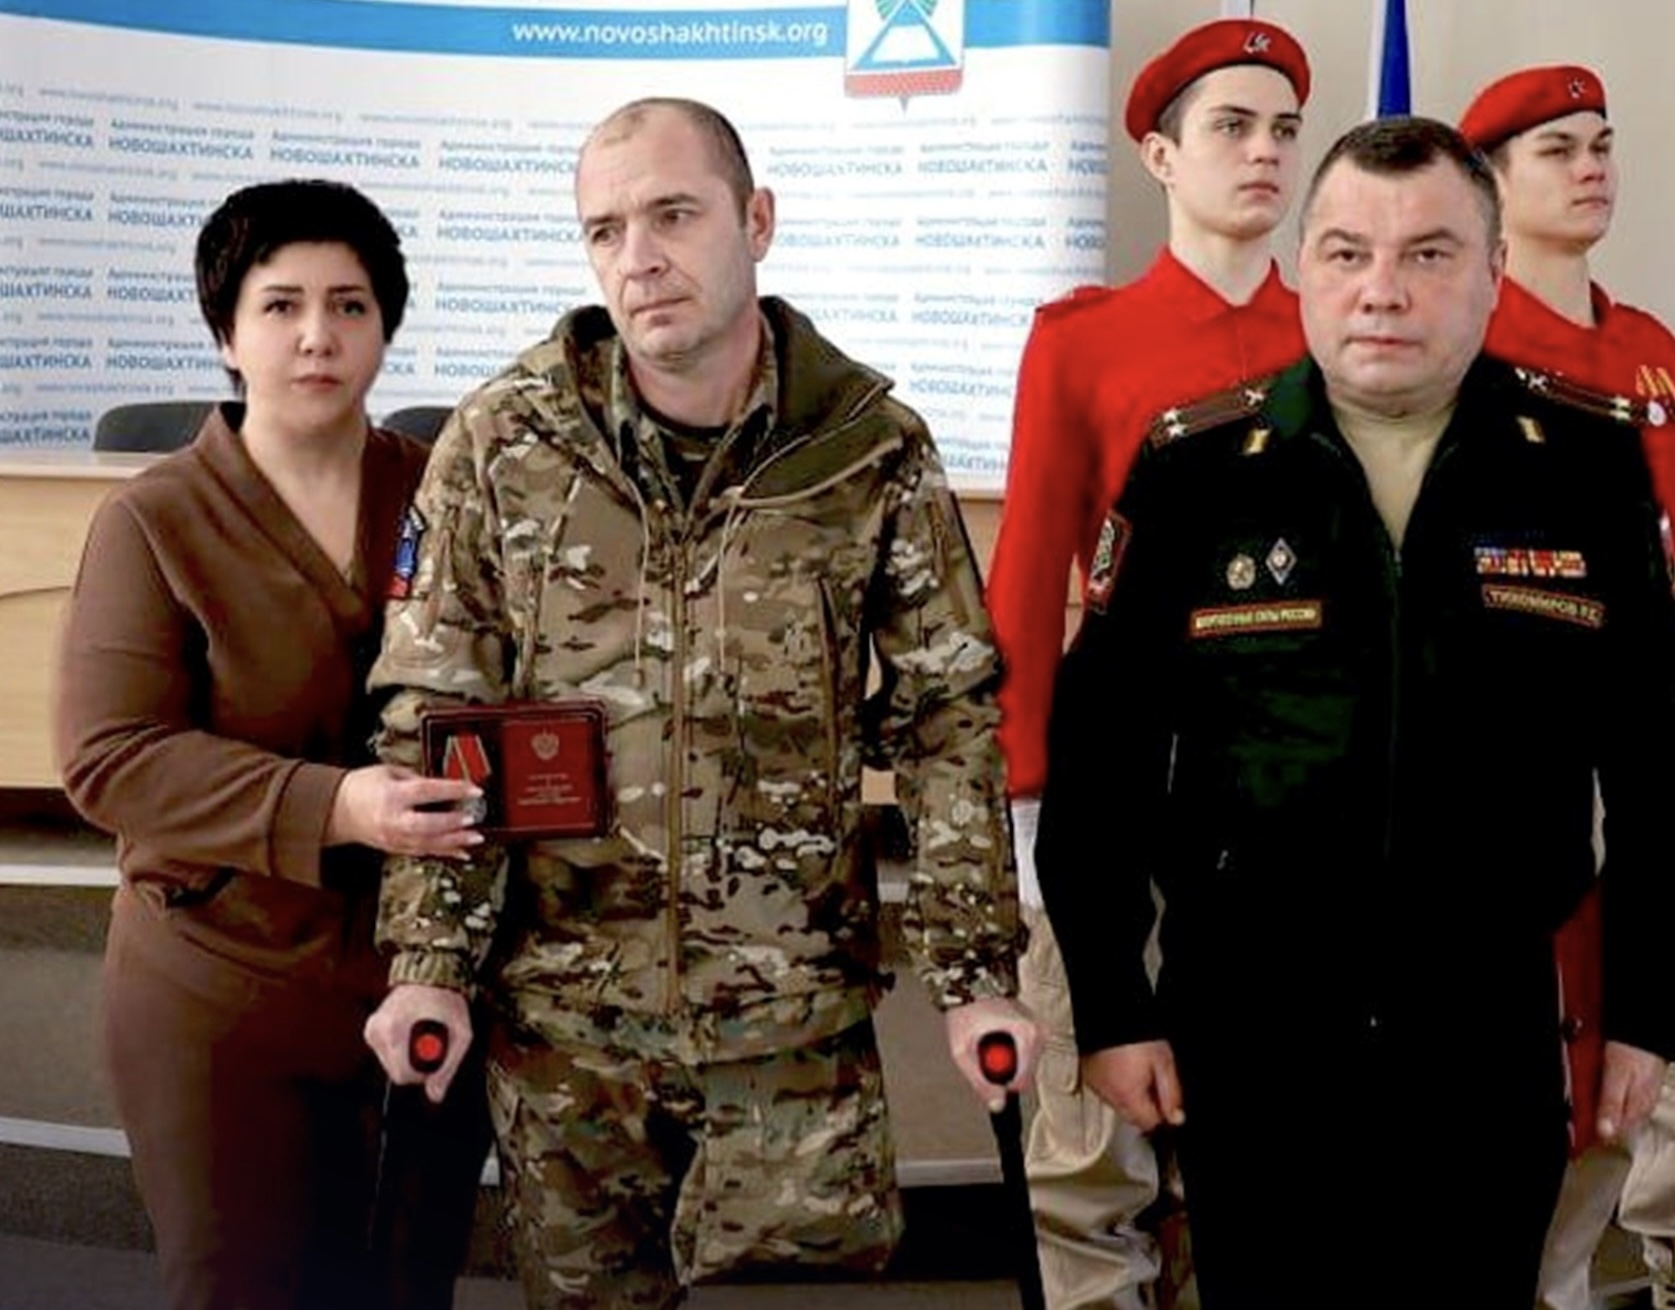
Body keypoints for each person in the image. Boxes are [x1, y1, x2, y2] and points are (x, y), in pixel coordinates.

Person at [358, 97, 1037, 1310]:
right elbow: (434, 711)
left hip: (789, 1031)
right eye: (605, 229)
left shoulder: (866, 449)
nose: (639, 257)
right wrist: (430, 960)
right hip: (565, 1031)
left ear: (755, 220)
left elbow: (947, 718)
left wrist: (974, 968)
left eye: (673, 215)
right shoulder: (504, 445)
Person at [1035, 116, 1675, 1310]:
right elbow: (1100, 761)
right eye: (1344, 253)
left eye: (1427, 254)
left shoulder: (1584, 471)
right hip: (1252, 1025)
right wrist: (1113, 1004)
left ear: (1493, 270)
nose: (1380, 290)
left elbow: (1656, 768)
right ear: (1304, 266)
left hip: (1484, 1022)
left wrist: (1645, 1013)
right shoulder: (1195, 469)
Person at [54, 179, 492, 1310]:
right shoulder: (154, 518)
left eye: (350, 305)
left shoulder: (451, 498)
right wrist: (338, 806)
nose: (317, 335)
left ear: (385, 328)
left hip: (420, 974)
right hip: (218, 981)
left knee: (404, 1284)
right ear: (226, 334)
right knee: (239, 1285)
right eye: (281, 304)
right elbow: (109, 755)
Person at [986, 18, 1309, 1308]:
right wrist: (1023, 793)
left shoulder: (1337, 338)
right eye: (1232, 126)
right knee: (1089, 1146)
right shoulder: (1085, 340)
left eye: (1284, 130)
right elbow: (1028, 572)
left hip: (1284, 801)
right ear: (1161, 156)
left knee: (1267, 1138)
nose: (1264, 152)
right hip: (1118, 778)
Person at [1457, 65, 1675, 1310]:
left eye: (1602, 145)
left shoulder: (1645, 349)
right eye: (1557, 150)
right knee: (1556, 1074)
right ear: (1489, 185)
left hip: (1647, 728)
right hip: (1534, 753)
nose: (1592, 168)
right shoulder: (1471, 349)